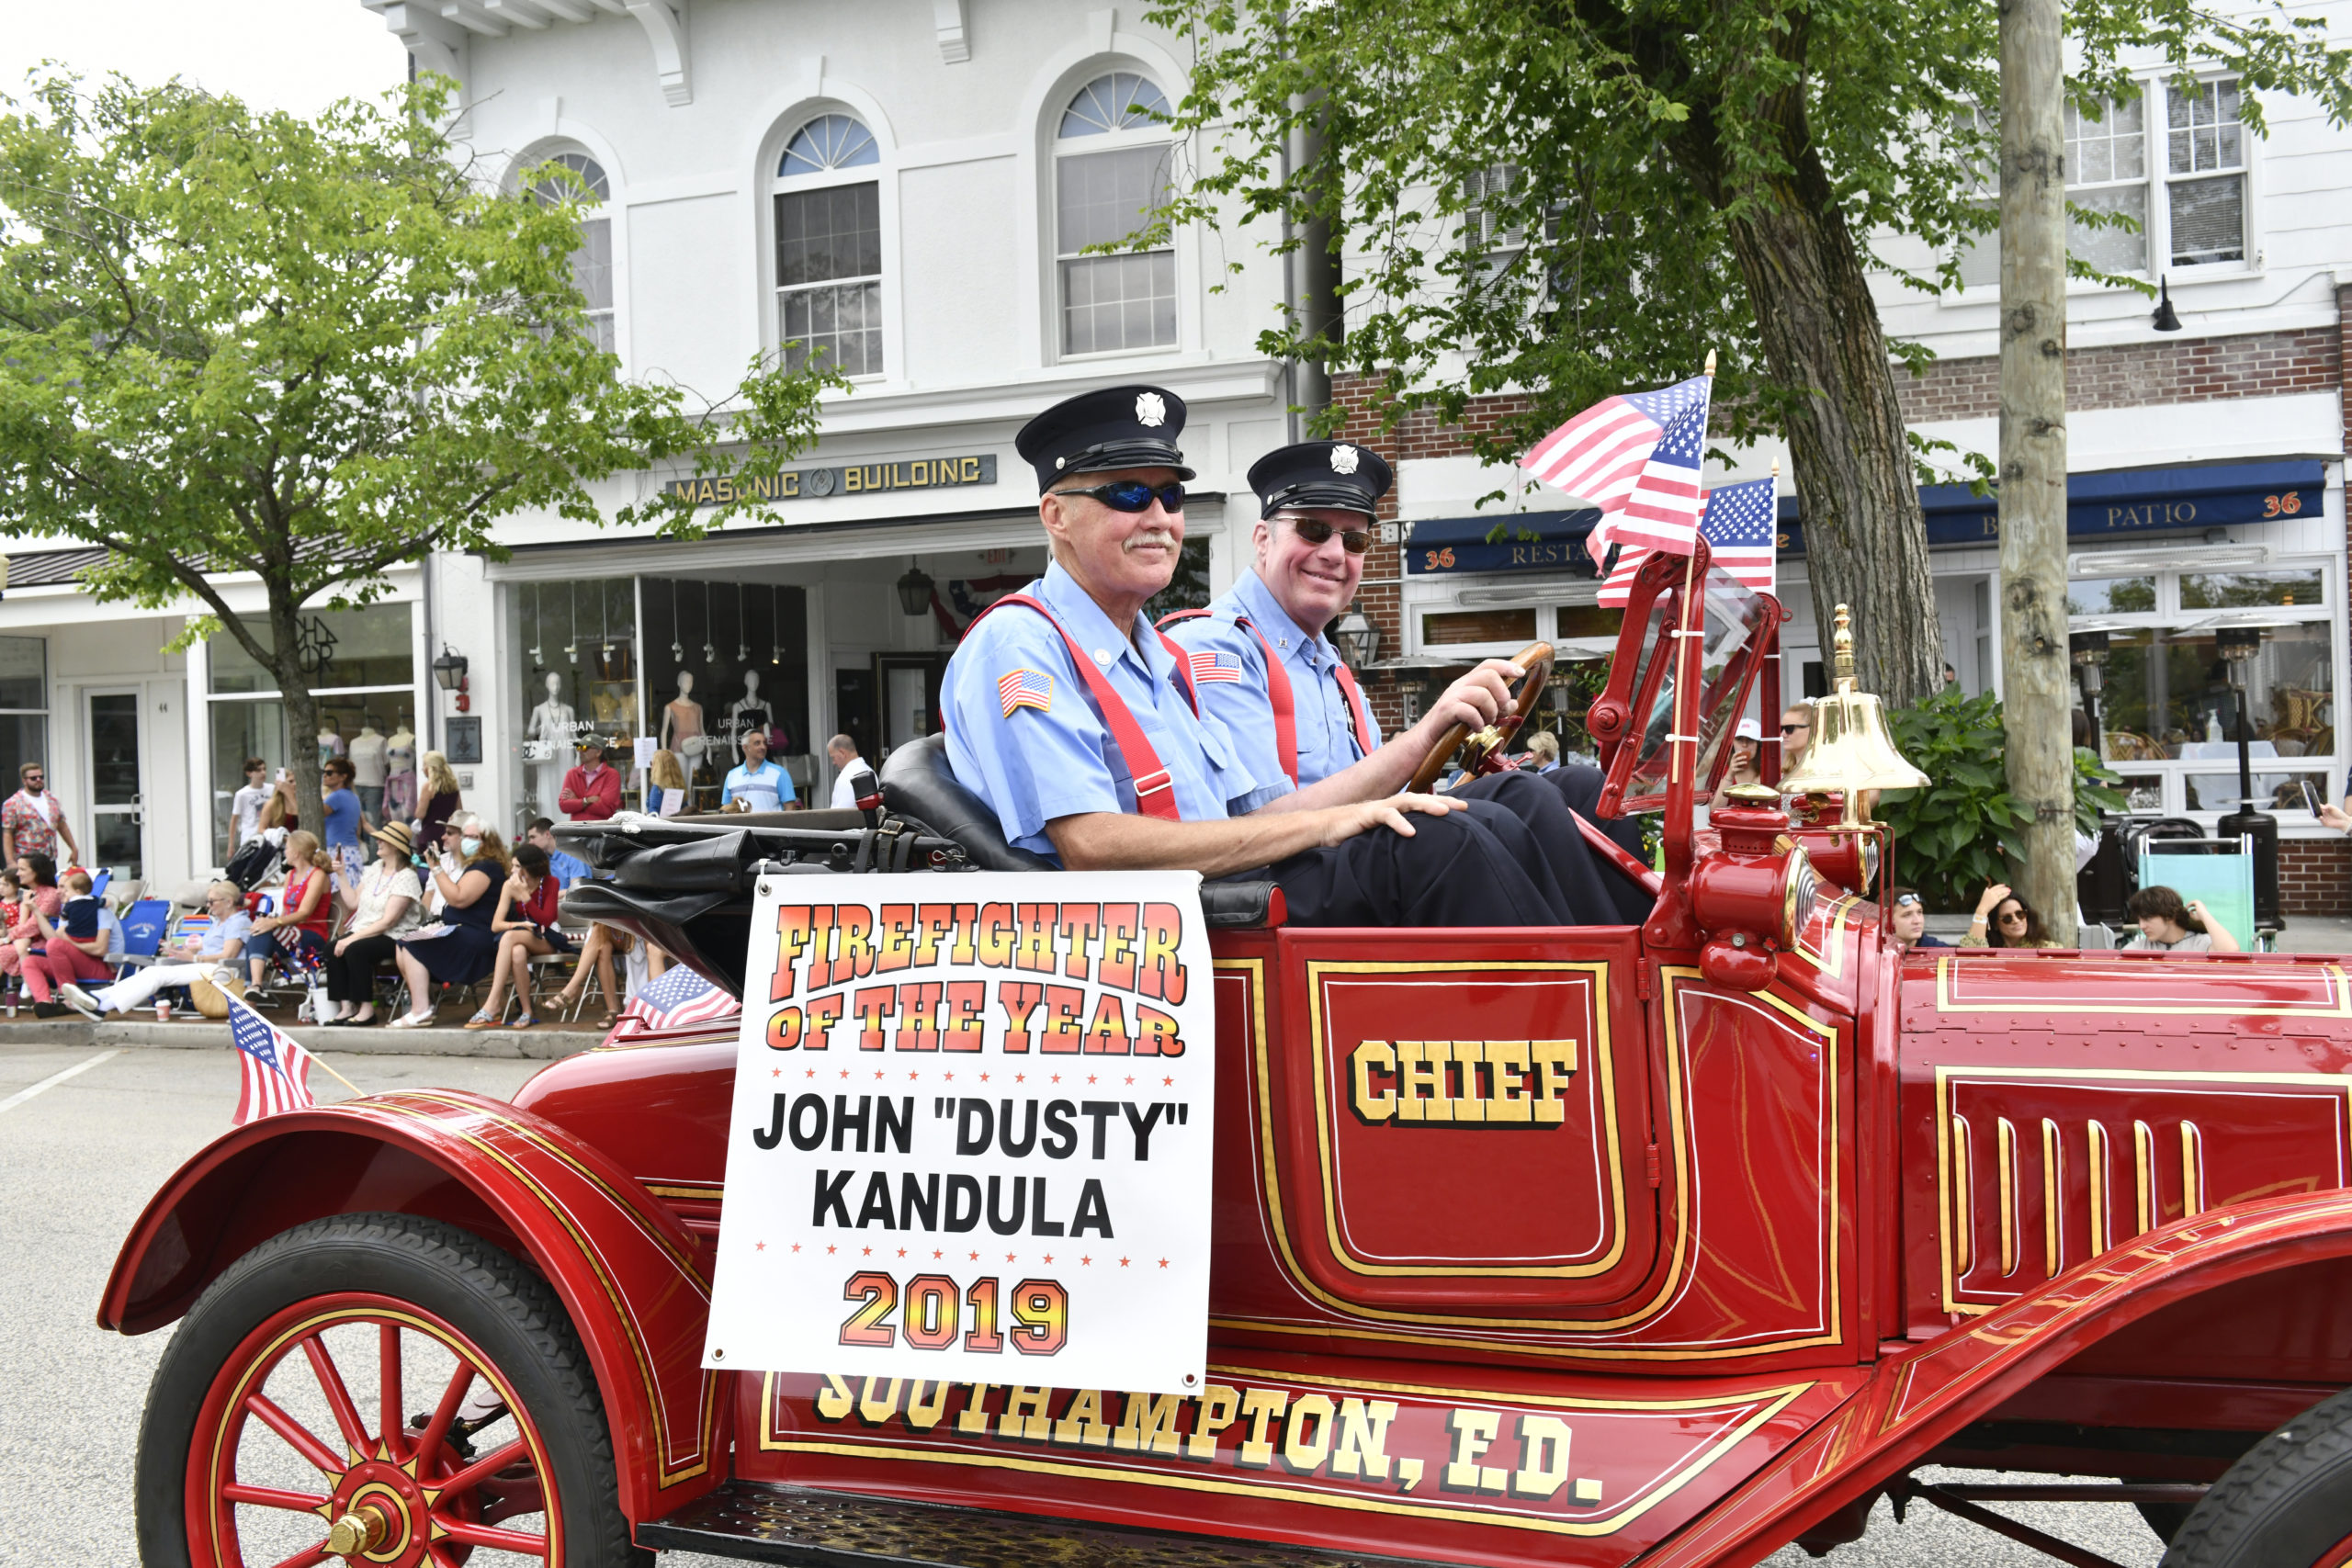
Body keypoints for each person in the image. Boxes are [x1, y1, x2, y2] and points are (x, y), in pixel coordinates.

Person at [944, 387, 1579, 928]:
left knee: (1522, 803)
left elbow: (1246, 817)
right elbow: (1091, 846)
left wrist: (1361, 806)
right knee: (1447, 843)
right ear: (1055, 514)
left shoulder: (1154, 655)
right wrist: (1337, 821)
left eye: (1171, 496)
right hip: (1174, 927)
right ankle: (1583, 1040)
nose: (1161, 517)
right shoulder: (1022, 645)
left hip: (1224, 896)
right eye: (1129, 495)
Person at [1159, 434, 1623, 920]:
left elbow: (1394, 794)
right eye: (1314, 530)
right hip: (1268, 879)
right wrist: (1424, 736)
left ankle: (1637, 965)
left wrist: (1441, 751)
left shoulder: (1333, 670)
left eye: (1354, 539)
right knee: (1469, 826)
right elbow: (1254, 827)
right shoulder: (1216, 647)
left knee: (1575, 789)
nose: (1335, 554)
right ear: (1262, 538)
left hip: (1346, 859)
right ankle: (1584, 984)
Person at [62, 882, 253, 1020]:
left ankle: (100, 1003)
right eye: (208, 901)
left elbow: (228, 955)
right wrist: (179, 949)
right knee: (153, 972)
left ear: (228, 902)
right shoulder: (220, 922)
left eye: (212, 901)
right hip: (209, 967)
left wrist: (194, 957)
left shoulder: (239, 921)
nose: (208, 905)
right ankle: (99, 1001)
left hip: (225, 972)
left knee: (157, 974)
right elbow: (208, 946)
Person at [390, 816, 509, 1027]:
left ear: (487, 842)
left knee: (411, 944)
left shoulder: (487, 867)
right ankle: (423, 1004)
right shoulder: (475, 865)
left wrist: (435, 868)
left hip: (478, 936)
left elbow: (459, 898)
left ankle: (421, 1009)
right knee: (404, 942)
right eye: (466, 836)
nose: (467, 840)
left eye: (474, 837)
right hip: (460, 930)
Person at [317, 822, 424, 1026]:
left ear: (395, 846)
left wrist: (351, 939)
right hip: (365, 928)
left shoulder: (407, 876)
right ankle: (347, 1007)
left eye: (383, 839)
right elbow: (352, 903)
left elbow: (388, 922)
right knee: (332, 948)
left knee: (356, 949)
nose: (378, 842)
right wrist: (341, 875)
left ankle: (367, 1009)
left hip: (395, 935)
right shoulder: (375, 868)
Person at [468, 842, 571, 1028]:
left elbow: (546, 920)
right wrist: (519, 924)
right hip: (521, 935)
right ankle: (527, 1011)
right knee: (517, 952)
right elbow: (496, 925)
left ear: (529, 868)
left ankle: (493, 1002)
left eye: (517, 866)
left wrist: (525, 896)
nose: (512, 870)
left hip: (546, 937)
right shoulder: (509, 886)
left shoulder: (550, 882)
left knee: (508, 938)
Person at [247, 830, 336, 997]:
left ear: (296, 853)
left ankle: (253, 989)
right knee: (258, 930)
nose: (285, 852)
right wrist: (270, 921)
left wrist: (275, 923)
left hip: (312, 933)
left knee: (262, 930)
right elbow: (285, 911)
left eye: (287, 848)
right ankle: (254, 987)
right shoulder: (290, 874)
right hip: (289, 931)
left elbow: (304, 912)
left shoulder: (318, 875)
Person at [24, 870, 112, 1016]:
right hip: (72, 964)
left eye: (63, 887)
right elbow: (55, 939)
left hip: (99, 966)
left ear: (78, 890)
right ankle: (45, 1004)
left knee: (54, 945)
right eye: (58, 887)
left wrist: (69, 941)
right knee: (30, 961)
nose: (58, 892)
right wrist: (37, 912)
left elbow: (100, 949)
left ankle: (70, 1000)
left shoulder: (99, 910)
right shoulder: (70, 909)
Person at [0, 853, 62, 996]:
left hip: (42, 941)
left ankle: (29, 982)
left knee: (3, 951)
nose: (17, 873)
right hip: (24, 938)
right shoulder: (29, 893)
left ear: (37, 871)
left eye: (22, 869)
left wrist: (5, 939)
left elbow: (32, 927)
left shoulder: (50, 895)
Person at [1, 761, 79, 867]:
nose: (38, 780)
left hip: (49, 858)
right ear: (24, 781)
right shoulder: (13, 803)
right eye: (33, 778)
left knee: (50, 884)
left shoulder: (52, 799)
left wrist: (73, 848)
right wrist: (10, 861)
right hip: (27, 860)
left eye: (41, 777)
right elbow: (7, 833)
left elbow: (62, 825)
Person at [2121, 884, 2241, 953]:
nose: (2142, 926)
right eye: (2139, 920)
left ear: (2169, 916)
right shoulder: (2138, 948)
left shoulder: (2200, 943)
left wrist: (2204, 915)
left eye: (2147, 918)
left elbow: (2230, 951)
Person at [1961, 882, 2064, 948]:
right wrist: (1981, 911)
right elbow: (1970, 960)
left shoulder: (2047, 949)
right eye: (2007, 918)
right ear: (1996, 925)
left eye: (2020, 914)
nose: (2016, 920)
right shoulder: (1990, 951)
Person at [721, 728, 795, 812]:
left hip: (771, 825)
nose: (763, 747)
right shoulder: (732, 775)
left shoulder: (780, 773)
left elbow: (790, 808)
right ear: (745, 748)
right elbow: (726, 810)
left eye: (764, 743)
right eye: (757, 743)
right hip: (741, 825)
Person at [320, 756, 368, 872]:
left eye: (329, 773)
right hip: (352, 851)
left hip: (338, 852)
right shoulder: (353, 796)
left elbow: (315, 814)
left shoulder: (337, 796)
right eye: (324, 772)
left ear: (343, 776)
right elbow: (358, 830)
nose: (325, 776)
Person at [560, 737, 622, 822]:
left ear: (598, 752)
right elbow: (564, 806)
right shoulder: (572, 774)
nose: (580, 751)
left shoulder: (612, 775)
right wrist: (586, 801)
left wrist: (576, 801)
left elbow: (606, 809)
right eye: (579, 747)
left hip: (600, 831)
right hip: (576, 830)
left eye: (584, 748)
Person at [1710, 717, 1766, 807]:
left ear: (1758, 744)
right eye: (1739, 739)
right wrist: (1729, 775)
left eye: (1750, 740)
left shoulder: (1767, 770)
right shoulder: (1722, 770)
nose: (1744, 745)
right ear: (1732, 742)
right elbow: (1715, 809)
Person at [526, 818, 593, 888]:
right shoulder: (544, 858)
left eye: (533, 837)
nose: (530, 842)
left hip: (574, 898)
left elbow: (575, 890)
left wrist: (551, 895)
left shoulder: (572, 854)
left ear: (547, 834)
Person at [413, 750, 461, 845]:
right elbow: (459, 812)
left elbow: (420, 814)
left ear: (430, 768)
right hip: (449, 835)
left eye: (424, 765)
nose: (422, 769)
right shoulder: (453, 787)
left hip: (430, 834)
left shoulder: (428, 787)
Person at [1884, 887, 1952, 950]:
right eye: (1907, 915)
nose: (1917, 921)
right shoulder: (1875, 953)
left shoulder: (1940, 951)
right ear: (1886, 921)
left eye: (1919, 912)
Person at [229, 758, 271, 852]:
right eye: (258, 770)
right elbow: (234, 819)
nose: (263, 773)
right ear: (249, 773)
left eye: (264, 769)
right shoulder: (242, 794)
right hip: (250, 838)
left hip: (269, 837)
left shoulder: (272, 789)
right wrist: (231, 844)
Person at [828, 734, 871, 808]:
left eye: (833, 757)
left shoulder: (847, 777)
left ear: (842, 753)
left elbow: (841, 815)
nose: (833, 762)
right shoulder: (870, 771)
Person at [647, 749, 689, 816]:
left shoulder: (657, 789)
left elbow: (653, 815)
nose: (651, 766)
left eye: (652, 763)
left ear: (657, 767)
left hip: (662, 825)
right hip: (679, 824)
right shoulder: (679, 787)